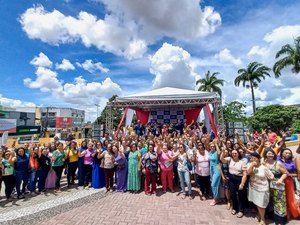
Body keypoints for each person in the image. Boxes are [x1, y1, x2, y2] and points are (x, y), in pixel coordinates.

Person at [247, 152, 274, 225]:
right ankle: (259, 215)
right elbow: (248, 173)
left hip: (262, 188)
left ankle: (263, 220)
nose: (253, 160)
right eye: (252, 158)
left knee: (261, 205)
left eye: (255, 158)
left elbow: (271, 177)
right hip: (254, 187)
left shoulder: (264, 167)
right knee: (257, 203)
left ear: (259, 159)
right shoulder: (251, 166)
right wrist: (252, 166)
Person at [220, 148, 247, 218]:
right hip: (231, 179)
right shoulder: (230, 159)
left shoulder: (242, 162)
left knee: (241, 195)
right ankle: (234, 208)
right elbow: (222, 159)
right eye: (233, 153)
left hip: (239, 179)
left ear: (238, 154)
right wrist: (222, 152)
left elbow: (244, 174)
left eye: (236, 153)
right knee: (232, 194)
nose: (234, 154)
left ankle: (241, 210)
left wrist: (242, 183)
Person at [264, 148, 288, 224]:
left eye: (272, 153)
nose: (270, 155)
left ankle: (280, 221)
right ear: (265, 155)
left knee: (279, 203)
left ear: (274, 154)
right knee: (270, 202)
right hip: (267, 186)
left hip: (278, 186)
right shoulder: (264, 163)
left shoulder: (277, 163)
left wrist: (280, 179)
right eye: (268, 153)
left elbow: (285, 173)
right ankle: (272, 217)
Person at [278, 148, 300, 219]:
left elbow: (296, 174)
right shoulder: (277, 159)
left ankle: (292, 213)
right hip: (278, 181)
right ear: (282, 153)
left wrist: (288, 174)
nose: (288, 154)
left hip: (288, 181)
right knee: (281, 197)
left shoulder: (292, 162)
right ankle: (282, 214)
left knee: (290, 198)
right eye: (286, 153)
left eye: (289, 153)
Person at [208, 140, 221, 206]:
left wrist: (216, 144)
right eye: (211, 146)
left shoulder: (216, 152)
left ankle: (215, 199)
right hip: (211, 170)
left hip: (217, 169)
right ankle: (217, 198)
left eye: (213, 146)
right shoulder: (210, 152)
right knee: (215, 185)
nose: (212, 147)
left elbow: (219, 153)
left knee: (213, 185)